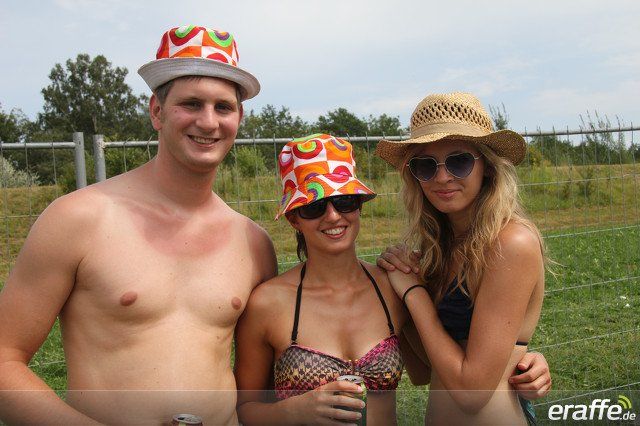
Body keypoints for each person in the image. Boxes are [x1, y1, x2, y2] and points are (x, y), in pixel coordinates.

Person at [0, 25, 276, 425]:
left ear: (240, 117)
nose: (208, 121)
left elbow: (259, 382)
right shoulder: (79, 219)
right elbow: (5, 359)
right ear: (157, 111)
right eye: (191, 103)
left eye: (223, 107)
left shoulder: (253, 243)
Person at [235, 134, 550, 425]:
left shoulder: (391, 288)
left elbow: (431, 368)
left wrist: (519, 358)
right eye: (314, 207)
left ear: (359, 205)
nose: (333, 216)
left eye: (345, 201)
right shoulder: (267, 304)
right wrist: (293, 411)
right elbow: (244, 409)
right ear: (293, 217)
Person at [375, 92, 548, 424]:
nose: (442, 177)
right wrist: (399, 291)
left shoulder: (511, 242)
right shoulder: (442, 247)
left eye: (459, 161)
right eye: (425, 165)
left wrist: (413, 292)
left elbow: (472, 393)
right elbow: (424, 371)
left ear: (487, 167)